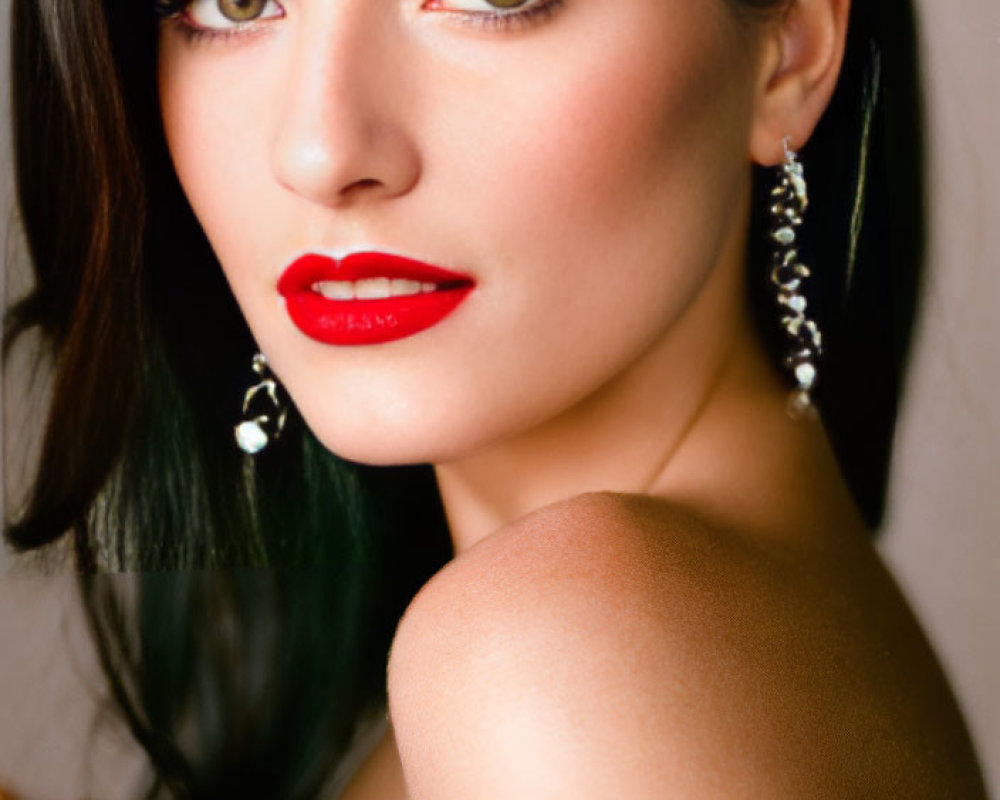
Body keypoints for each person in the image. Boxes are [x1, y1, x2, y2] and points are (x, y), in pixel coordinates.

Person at [2, 0, 987, 797]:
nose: (319, 151)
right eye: (239, 2)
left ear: (789, 51)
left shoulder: (563, 654)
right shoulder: (741, 632)